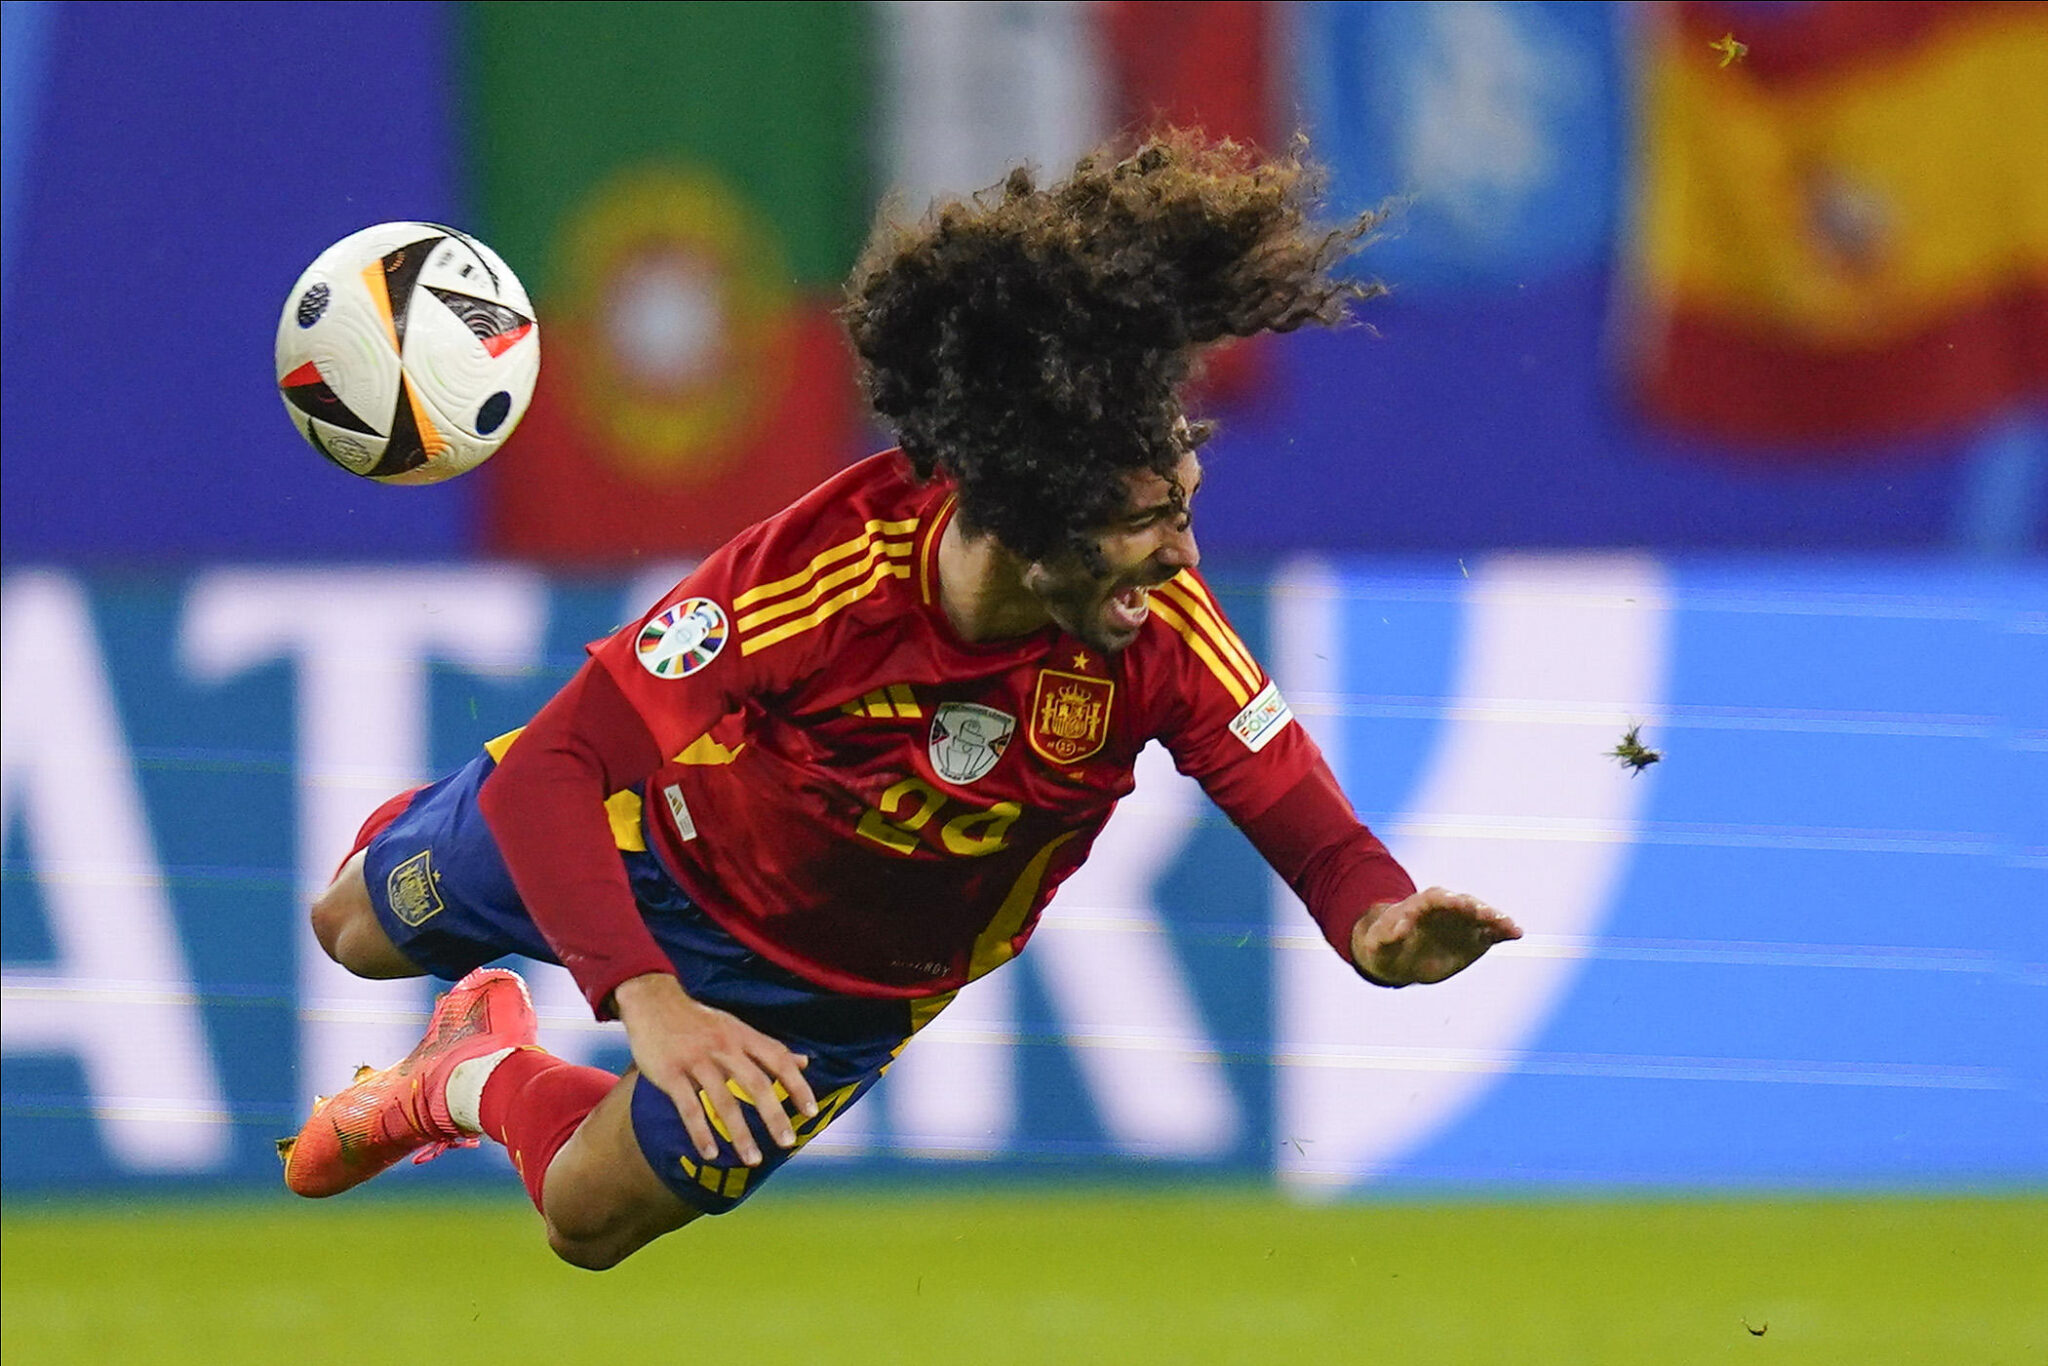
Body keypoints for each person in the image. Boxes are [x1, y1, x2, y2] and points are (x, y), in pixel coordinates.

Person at [280, 130, 1522, 1270]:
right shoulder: (825, 575)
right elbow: (564, 764)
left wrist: (1375, 924)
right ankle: (459, 866)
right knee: (353, 926)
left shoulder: (1156, 640)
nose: (1181, 556)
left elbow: (1298, 811)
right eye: (1145, 521)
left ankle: (469, 1072)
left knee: (586, 1224)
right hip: (658, 839)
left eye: (1181, 503)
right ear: (1031, 521)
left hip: (830, 993)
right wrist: (648, 1002)